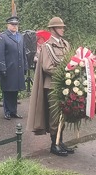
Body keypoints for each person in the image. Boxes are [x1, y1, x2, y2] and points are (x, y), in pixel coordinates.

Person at [27, 17, 73, 157]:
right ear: (52, 29)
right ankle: (54, 144)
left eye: (63, 27)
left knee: (63, 115)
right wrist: (66, 72)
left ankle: (60, 141)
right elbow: (47, 67)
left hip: (65, 85)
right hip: (52, 85)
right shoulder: (47, 47)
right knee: (55, 116)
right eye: (60, 27)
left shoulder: (66, 44)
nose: (63, 29)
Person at [0, 16, 28, 120]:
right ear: (8, 25)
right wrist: (2, 68)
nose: (14, 26)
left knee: (15, 91)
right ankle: (7, 112)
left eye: (16, 24)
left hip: (18, 68)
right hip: (8, 68)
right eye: (12, 24)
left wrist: (25, 66)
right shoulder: (3, 37)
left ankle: (14, 111)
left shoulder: (20, 36)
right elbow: (0, 54)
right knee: (7, 91)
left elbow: (23, 52)